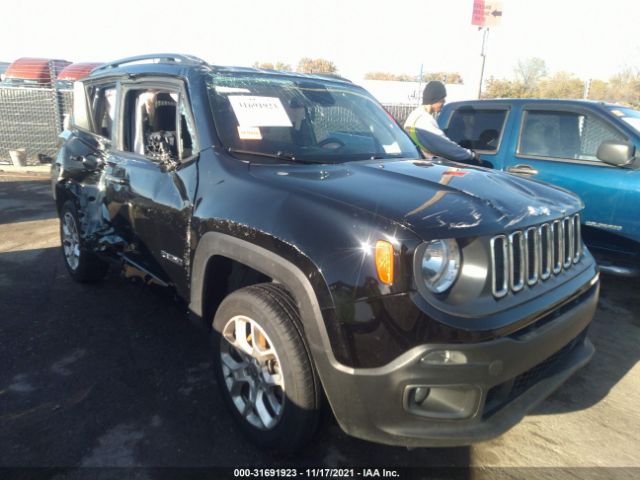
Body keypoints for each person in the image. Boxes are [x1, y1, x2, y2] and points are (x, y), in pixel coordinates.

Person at [404, 81, 481, 164]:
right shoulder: (425, 119)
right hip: (428, 165)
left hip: (419, 162)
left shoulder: (415, 115)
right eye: (442, 99)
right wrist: (470, 155)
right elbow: (445, 147)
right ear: (434, 99)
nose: (444, 102)